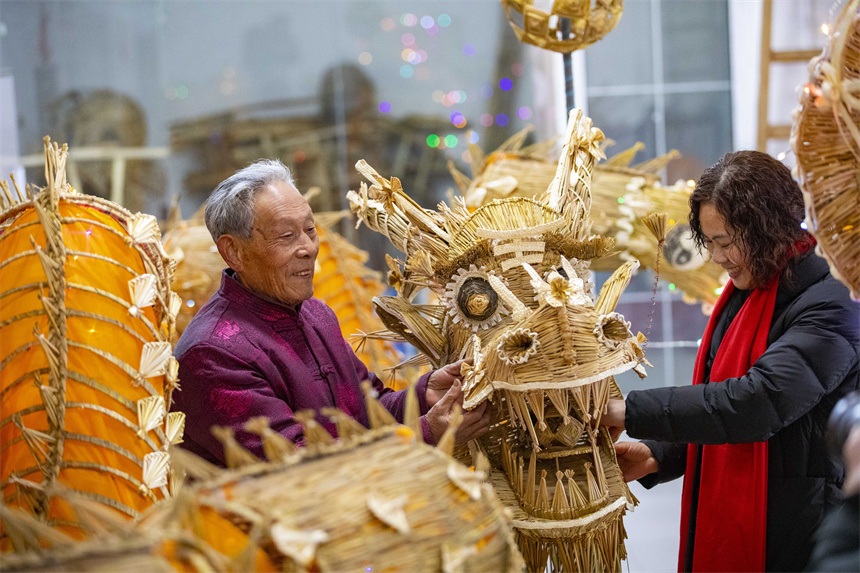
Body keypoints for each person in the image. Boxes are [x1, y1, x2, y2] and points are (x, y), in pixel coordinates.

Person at [599, 150, 860, 572]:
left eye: (724, 241)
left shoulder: (833, 300)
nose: (716, 257)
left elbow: (757, 402)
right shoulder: (746, 291)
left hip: (801, 530)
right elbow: (719, 401)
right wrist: (660, 452)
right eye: (711, 242)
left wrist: (631, 411)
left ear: (767, 229)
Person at [171, 159, 491, 466]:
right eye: (286, 236)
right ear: (234, 251)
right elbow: (297, 466)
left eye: (310, 230)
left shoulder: (315, 314)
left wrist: (427, 393)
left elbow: (367, 412)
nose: (308, 248)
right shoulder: (212, 354)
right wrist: (428, 433)